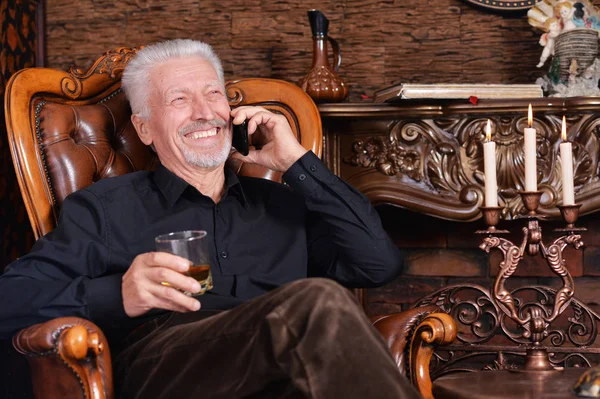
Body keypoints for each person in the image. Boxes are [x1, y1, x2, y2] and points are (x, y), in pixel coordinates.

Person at [0, 39, 419, 398]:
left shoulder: (282, 203)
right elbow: (11, 300)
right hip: (167, 364)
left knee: (320, 324)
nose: (205, 112)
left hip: (283, 368)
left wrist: (296, 162)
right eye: (180, 99)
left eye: (214, 94)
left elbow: (379, 263)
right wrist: (119, 293)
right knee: (322, 299)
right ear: (144, 129)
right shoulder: (107, 208)